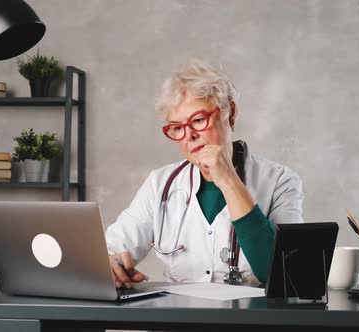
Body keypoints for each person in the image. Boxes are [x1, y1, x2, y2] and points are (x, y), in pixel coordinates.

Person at [105, 59, 303, 289]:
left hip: (249, 323)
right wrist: (111, 264)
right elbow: (110, 251)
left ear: (230, 113)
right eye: (177, 128)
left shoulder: (281, 182)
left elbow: (284, 275)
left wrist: (228, 179)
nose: (189, 136)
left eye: (198, 120)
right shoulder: (159, 185)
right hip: (179, 323)